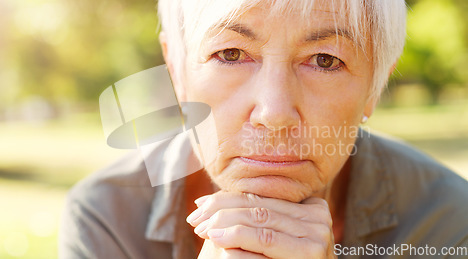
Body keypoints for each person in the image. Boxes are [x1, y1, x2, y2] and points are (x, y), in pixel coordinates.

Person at [59, 0, 468, 258]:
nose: (273, 114)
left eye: (325, 60)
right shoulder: (106, 220)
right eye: (231, 53)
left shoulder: (447, 223)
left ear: (374, 86)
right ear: (176, 70)